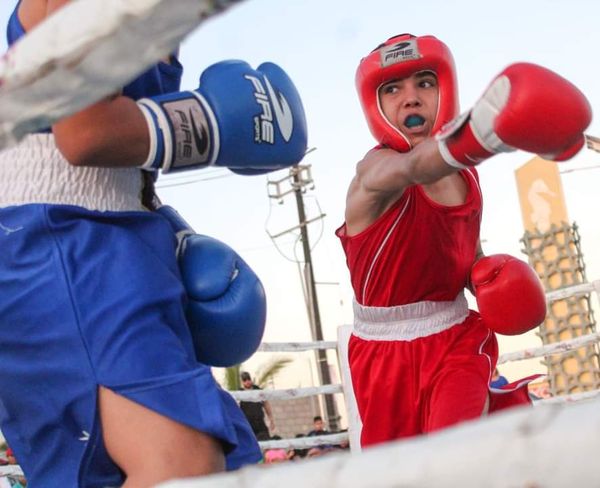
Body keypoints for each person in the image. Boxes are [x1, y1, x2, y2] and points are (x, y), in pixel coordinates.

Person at [0, 1, 307, 486]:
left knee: (210, 466)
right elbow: (85, 135)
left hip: (97, 236)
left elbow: (116, 161)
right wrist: (210, 122)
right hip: (62, 242)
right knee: (182, 465)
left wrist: (169, 229)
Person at [336, 33, 590, 447]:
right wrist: (484, 135)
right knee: (403, 473)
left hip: (454, 335)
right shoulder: (373, 172)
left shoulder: (466, 176)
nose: (411, 98)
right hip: (384, 356)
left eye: (424, 82)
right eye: (393, 89)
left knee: (458, 452)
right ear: (375, 107)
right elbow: (413, 168)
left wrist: (487, 278)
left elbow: (464, 251)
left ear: (446, 90)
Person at [239, 372, 276, 440]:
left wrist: (271, 419)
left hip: (260, 422)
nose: (247, 381)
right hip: (248, 423)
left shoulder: (258, 390)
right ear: (242, 382)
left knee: (266, 441)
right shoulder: (239, 393)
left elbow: (266, 405)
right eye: (245, 380)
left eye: (248, 379)